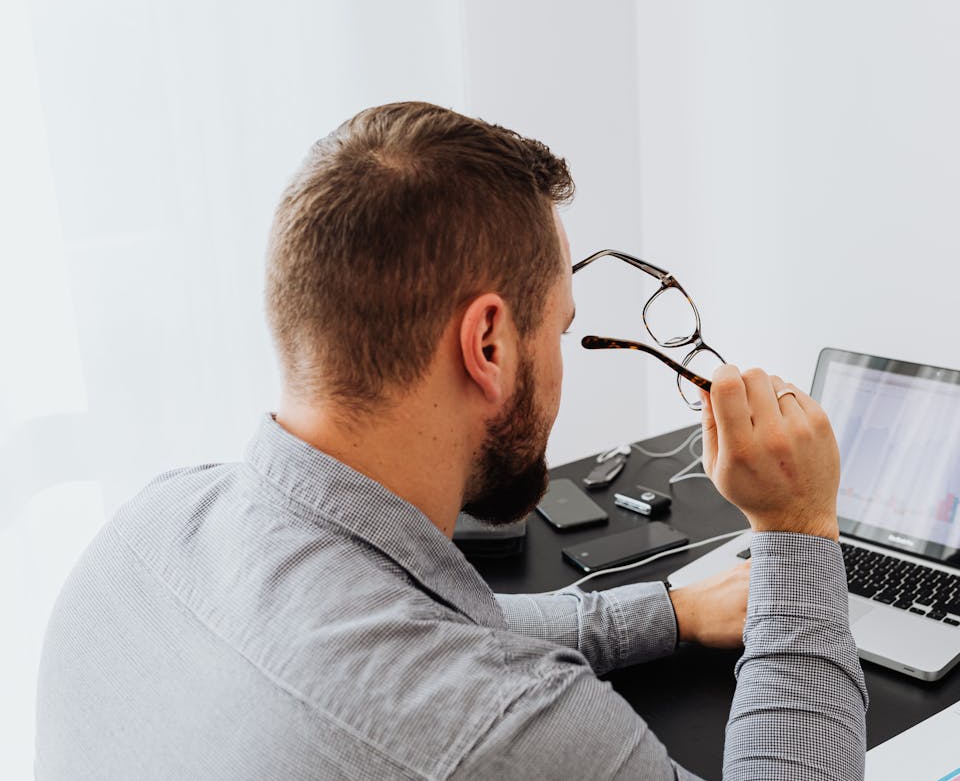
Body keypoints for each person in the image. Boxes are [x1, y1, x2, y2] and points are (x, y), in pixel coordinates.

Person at [35, 102, 868, 779]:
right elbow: (437, 676)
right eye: (560, 330)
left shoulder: (149, 524)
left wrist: (670, 612)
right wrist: (797, 527)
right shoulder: (501, 730)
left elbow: (413, 622)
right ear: (489, 345)